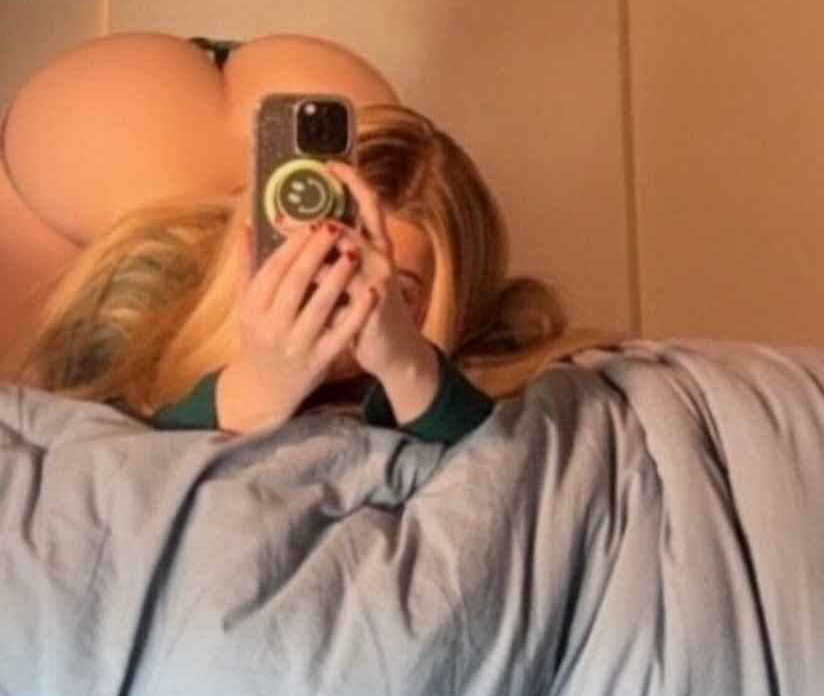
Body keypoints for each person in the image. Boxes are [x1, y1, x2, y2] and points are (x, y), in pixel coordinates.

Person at [10, 44, 567, 443]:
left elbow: (500, 467)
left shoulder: (472, 356)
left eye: (395, 288)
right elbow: (96, 473)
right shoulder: (144, 291)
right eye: (322, 260)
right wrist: (258, 387)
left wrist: (406, 367)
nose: (336, 295)